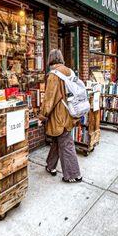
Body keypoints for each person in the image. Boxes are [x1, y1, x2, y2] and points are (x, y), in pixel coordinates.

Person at [39, 49, 82, 183]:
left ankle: (74, 175)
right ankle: (50, 166)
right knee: (58, 141)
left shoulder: (54, 75)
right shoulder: (69, 71)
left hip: (59, 116)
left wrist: (42, 116)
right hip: (70, 112)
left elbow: (49, 99)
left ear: (50, 59)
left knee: (66, 144)